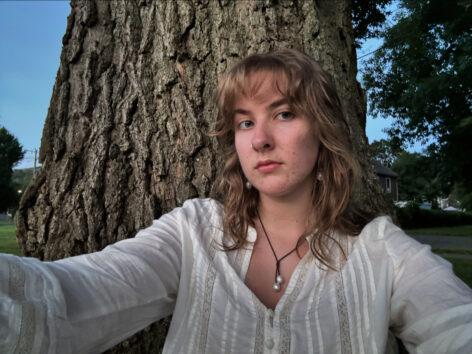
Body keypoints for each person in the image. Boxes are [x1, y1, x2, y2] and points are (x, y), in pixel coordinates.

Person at [1, 49, 471, 354]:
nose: (260, 139)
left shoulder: (382, 251)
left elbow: (454, 325)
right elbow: (69, 297)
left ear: (324, 132)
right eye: (244, 122)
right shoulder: (195, 230)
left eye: (284, 113)